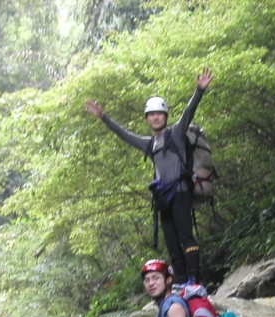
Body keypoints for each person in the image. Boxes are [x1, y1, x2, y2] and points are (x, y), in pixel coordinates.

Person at [85, 68, 214, 288]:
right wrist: (103, 117)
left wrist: (199, 91)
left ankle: (194, 281)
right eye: (151, 114)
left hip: (181, 191)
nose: (155, 117)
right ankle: (181, 281)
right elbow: (124, 134)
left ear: (165, 116)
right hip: (163, 199)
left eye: (159, 114)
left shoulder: (176, 133)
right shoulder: (150, 144)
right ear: (147, 119)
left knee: (186, 237)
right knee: (172, 243)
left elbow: (188, 112)